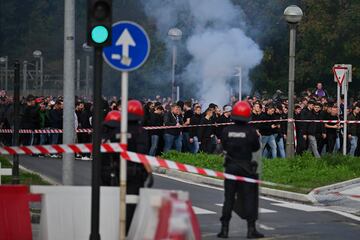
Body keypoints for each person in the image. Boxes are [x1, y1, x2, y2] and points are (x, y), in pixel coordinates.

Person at [101, 100, 153, 235]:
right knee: (131, 206)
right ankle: (124, 233)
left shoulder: (117, 130)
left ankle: (113, 231)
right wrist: (149, 172)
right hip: (135, 173)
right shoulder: (142, 132)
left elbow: (109, 153)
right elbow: (141, 154)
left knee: (115, 204)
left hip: (117, 171)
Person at [218, 101, 264, 239]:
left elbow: (223, 145)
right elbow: (256, 147)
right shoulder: (251, 131)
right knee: (250, 198)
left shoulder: (226, 130)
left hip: (231, 167)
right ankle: (251, 229)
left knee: (229, 199)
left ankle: (224, 229)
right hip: (246, 168)